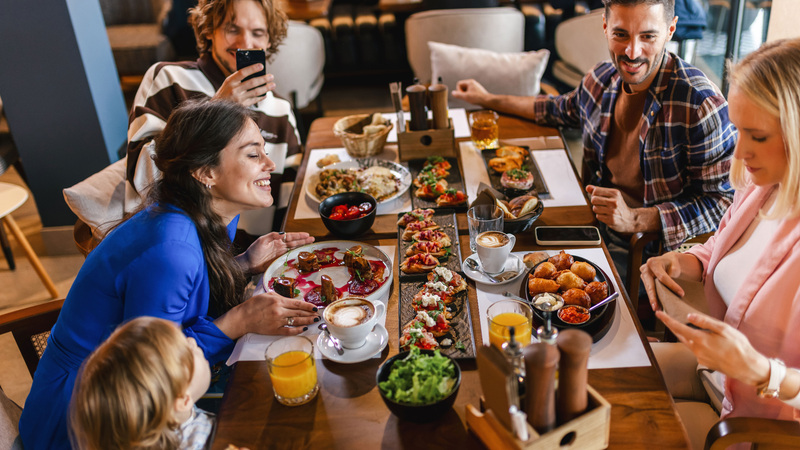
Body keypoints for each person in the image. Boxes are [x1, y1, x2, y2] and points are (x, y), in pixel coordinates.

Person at [20, 100, 316, 450]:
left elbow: (185, 295)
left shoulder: (205, 211)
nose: (270, 164)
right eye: (253, 154)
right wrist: (238, 321)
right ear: (205, 173)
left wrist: (243, 263)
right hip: (96, 418)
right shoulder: (170, 250)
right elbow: (153, 368)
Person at [452, 0, 737, 284]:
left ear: (670, 30)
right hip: (590, 227)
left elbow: (724, 203)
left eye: (648, 36)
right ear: (605, 26)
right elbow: (552, 109)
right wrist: (485, 98)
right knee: (496, 264)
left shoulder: (701, 103)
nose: (632, 52)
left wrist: (636, 219)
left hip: (647, 254)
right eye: (621, 34)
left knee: (524, 287)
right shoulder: (600, 79)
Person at [641, 38, 800, 439]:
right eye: (737, 130)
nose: (740, 151)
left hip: (759, 427)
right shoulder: (763, 184)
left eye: (757, 136)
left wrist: (759, 370)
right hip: (716, 377)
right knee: (606, 375)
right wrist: (682, 261)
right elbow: (721, 246)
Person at [126, 0, 301, 217]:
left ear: (268, 40)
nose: (245, 43)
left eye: (257, 33)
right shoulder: (168, 79)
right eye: (232, 29)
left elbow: (291, 198)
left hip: (258, 239)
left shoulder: (280, 110)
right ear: (209, 30)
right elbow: (144, 181)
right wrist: (216, 112)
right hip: (179, 232)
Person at [70, 317, 252, 450]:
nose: (190, 340)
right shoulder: (204, 443)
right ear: (183, 399)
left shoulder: (167, 416)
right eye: (186, 352)